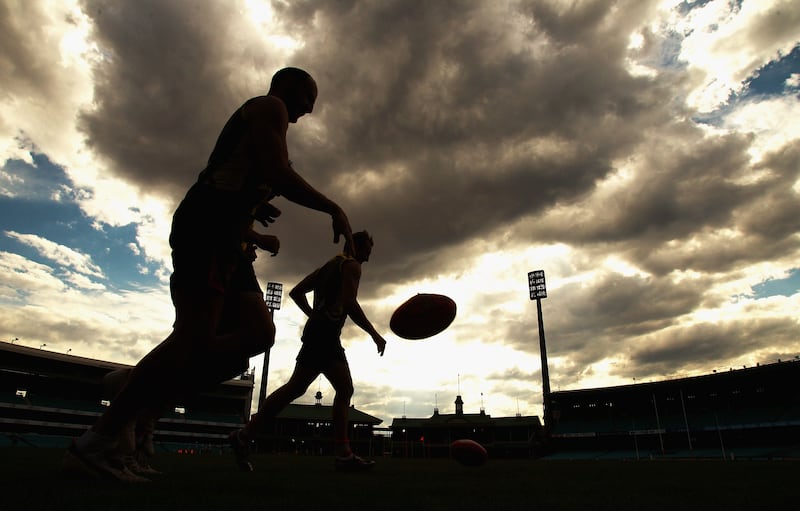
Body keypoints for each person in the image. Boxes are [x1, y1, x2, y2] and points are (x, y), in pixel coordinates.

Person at [63, 67, 354, 482]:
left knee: (256, 336)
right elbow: (274, 173)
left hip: (231, 244)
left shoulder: (267, 130)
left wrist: (253, 217)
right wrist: (333, 207)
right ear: (287, 86)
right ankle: (98, 441)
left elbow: (247, 181)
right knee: (195, 337)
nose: (309, 109)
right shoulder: (268, 107)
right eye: (309, 96)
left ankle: (138, 388)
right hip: (205, 229)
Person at [229, 230, 386, 472]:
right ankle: (343, 454)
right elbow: (349, 303)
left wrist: (313, 315)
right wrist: (374, 333)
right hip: (325, 337)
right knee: (343, 388)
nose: (369, 256)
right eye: (367, 250)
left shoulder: (329, 266)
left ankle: (244, 435)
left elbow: (296, 292)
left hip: (317, 334)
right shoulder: (352, 267)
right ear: (354, 246)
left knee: (295, 388)